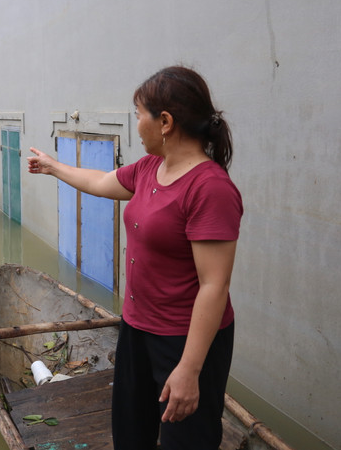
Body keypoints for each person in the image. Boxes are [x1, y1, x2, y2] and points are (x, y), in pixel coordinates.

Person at [27, 66, 242, 450]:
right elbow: (98, 181)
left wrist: (190, 370)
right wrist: (52, 166)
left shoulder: (210, 189)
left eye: (139, 115)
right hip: (137, 327)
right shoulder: (148, 169)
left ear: (165, 122)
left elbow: (215, 285)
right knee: (131, 432)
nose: (136, 124)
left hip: (184, 340)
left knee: (186, 440)